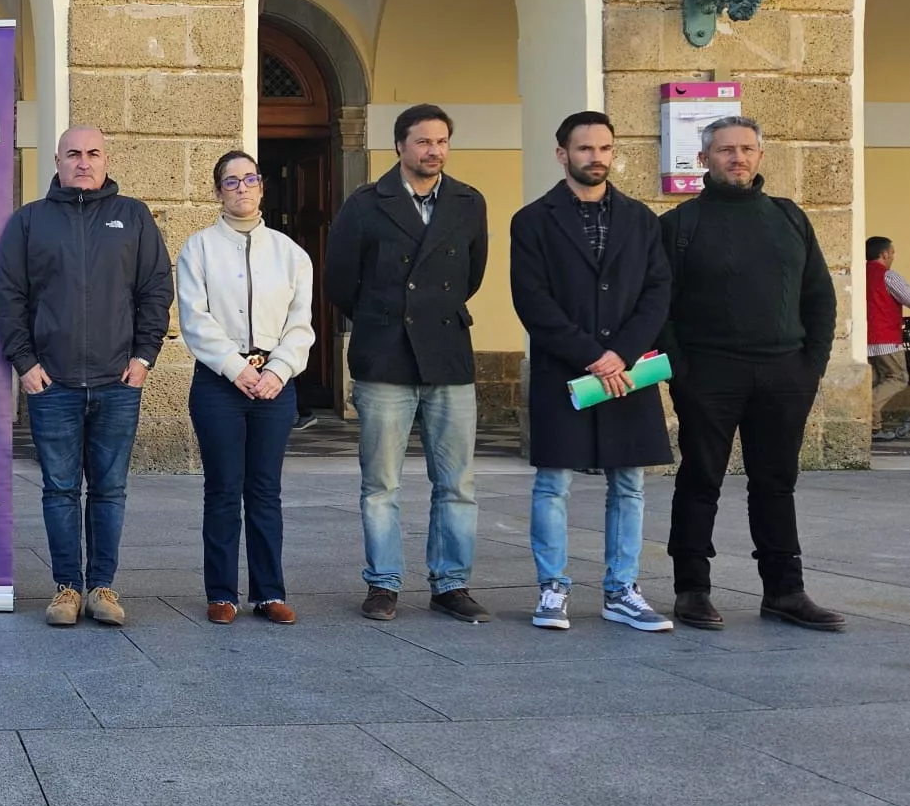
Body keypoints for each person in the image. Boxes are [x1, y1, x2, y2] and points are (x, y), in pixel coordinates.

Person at [661, 115, 844, 632]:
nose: (736, 157)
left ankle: (785, 591)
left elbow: (819, 298)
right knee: (700, 480)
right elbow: (661, 306)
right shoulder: (679, 225)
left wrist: (811, 367)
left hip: (785, 374)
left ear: (761, 157)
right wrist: (682, 369)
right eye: (724, 150)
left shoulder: (789, 218)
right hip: (708, 375)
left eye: (746, 149)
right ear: (704, 160)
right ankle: (692, 588)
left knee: (776, 483)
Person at [0, 126, 173, 628]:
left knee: (110, 489)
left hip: (118, 383)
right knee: (60, 489)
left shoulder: (132, 216)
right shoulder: (30, 222)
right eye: (74, 153)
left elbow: (156, 289)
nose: (84, 162)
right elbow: (7, 297)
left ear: (106, 159)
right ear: (57, 160)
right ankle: (67, 588)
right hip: (54, 385)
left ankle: (103, 588)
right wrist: (24, 363)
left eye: (93, 153)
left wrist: (144, 357)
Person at [509, 112, 673, 633]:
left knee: (629, 485)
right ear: (562, 154)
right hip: (566, 372)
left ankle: (622, 590)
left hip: (626, 374)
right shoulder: (533, 220)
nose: (596, 157)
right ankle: (552, 588)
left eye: (604, 148)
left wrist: (621, 353)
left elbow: (657, 293)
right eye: (584, 149)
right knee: (552, 483)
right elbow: (531, 300)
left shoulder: (642, 220)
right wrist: (590, 354)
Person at [326, 103, 489, 624]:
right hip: (385, 358)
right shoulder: (366, 204)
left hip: (448, 357)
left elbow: (472, 273)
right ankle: (384, 583)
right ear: (399, 146)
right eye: (423, 141)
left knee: (457, 482)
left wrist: (430, 311)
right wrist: (384, 318)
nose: (434, 151)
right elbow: (339, 281)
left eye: (442, 141)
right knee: (381, 484)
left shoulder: (468, 201)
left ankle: (451, 583)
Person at [176, 150, 316, 625]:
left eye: (249, 179)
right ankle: (221, 593)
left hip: (275, 386)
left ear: (261, 187)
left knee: (264, 490)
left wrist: (278, 370)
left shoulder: (290, 253)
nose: (241, 188)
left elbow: (301, 323)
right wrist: (237, 368)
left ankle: (269, 592)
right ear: (218, 191)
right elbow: (196, 319)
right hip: (219, 384)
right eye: (230, 181)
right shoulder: (197, 249)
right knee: (221, 488)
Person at [864, 236, 910, 442]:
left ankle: (873, 427)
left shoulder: (861, 273)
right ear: (884, 254)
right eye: (892, 253)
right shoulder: (888, 276)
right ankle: (867, 408)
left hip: (865, 340)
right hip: (886, 339)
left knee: (873, 381)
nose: (893, 256)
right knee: (897, 378)